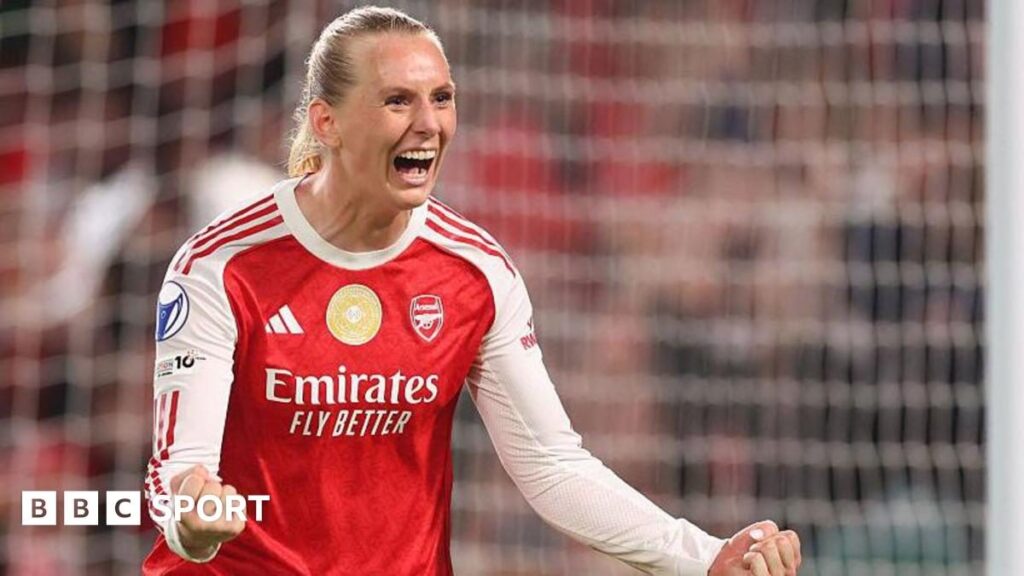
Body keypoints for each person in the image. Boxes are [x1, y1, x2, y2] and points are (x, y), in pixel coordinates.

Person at [142, 6, 801, 576]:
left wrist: (700, 554)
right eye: (397, 100)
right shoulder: (220, 265)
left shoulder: (475, 270)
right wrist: (194, 520)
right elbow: (180, 475)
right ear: (327, 123)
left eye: (442, 97)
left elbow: (549, 463)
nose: (428, 123)